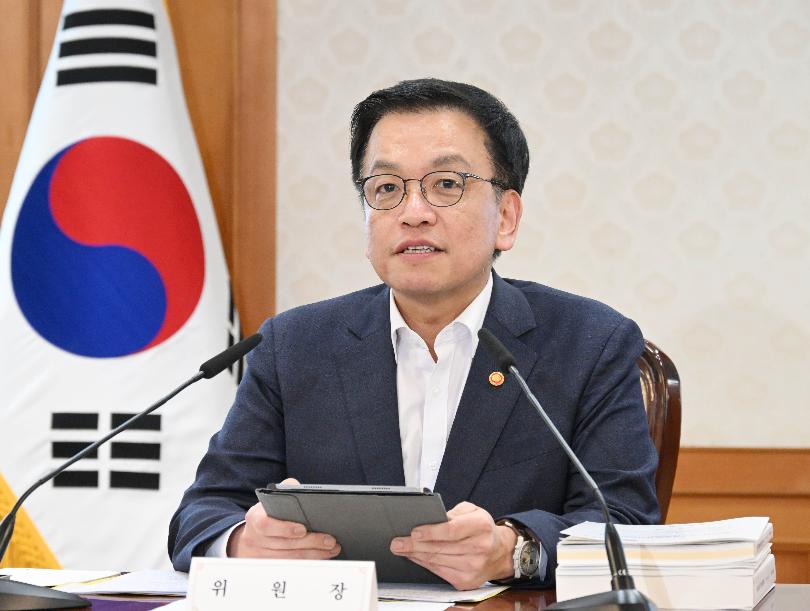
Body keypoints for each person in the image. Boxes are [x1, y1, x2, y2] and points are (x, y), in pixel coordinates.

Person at [168, 78, 659, 590]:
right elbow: (201, 514)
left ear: (506, 217)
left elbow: (626, 522)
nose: (413, 212)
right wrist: (243, 542)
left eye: (446, 184)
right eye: (386, 188)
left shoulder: (588, 342)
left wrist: (514, 550)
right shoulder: (294, 346)